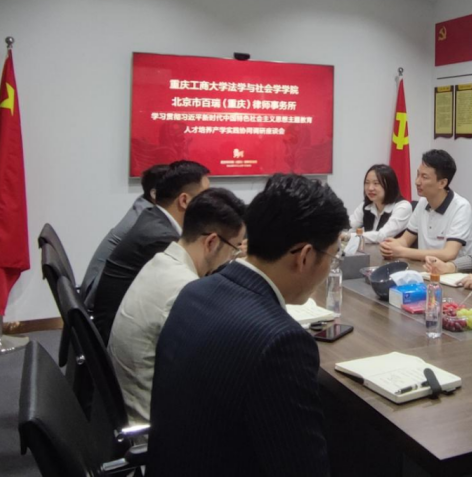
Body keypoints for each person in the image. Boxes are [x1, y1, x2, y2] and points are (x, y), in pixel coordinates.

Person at [148, 174, 349, 477]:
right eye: (333, 256)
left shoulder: (194, 291)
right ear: (305, 256)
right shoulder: (282, 343)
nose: (331, 265)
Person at [108, 188, 246, 426]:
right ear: (212, 242)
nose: (231, 257)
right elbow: (210, 372)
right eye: (234, 249)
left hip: (127, 406)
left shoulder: (159, 262)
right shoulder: (185, 289)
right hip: (153, 427)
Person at [91, 160, 210, 343]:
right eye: (205, 197)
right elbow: (194, 288)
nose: (211, 203)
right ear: (184, 200)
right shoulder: (161, 238)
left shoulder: (152, 217)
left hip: (116, 323)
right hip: (118, 335)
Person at [81, 164, 168, 305]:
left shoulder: (143, 206)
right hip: (98, 297)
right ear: (154, 194)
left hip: (97, 289)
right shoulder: (147, 222)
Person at [379, 150, 472, 262]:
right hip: (425, 269)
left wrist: (401, 251)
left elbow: (449, 254)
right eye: (418, 174)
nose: (417, 182)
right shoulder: (423, 202)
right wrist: (390, 246)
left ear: (442, 183)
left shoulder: (461, 207)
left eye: (424, 177)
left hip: (455, 271)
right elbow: (405, 241)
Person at [347, 164, 412, 247]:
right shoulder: (366, 205)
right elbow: (350, 225)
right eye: (367, 183)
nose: (370, 188)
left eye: (376, 183)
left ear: (389, 185)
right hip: (371, 253)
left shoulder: (403, 207)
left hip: (394, 254)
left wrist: (348, 236)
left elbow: (382, 236)